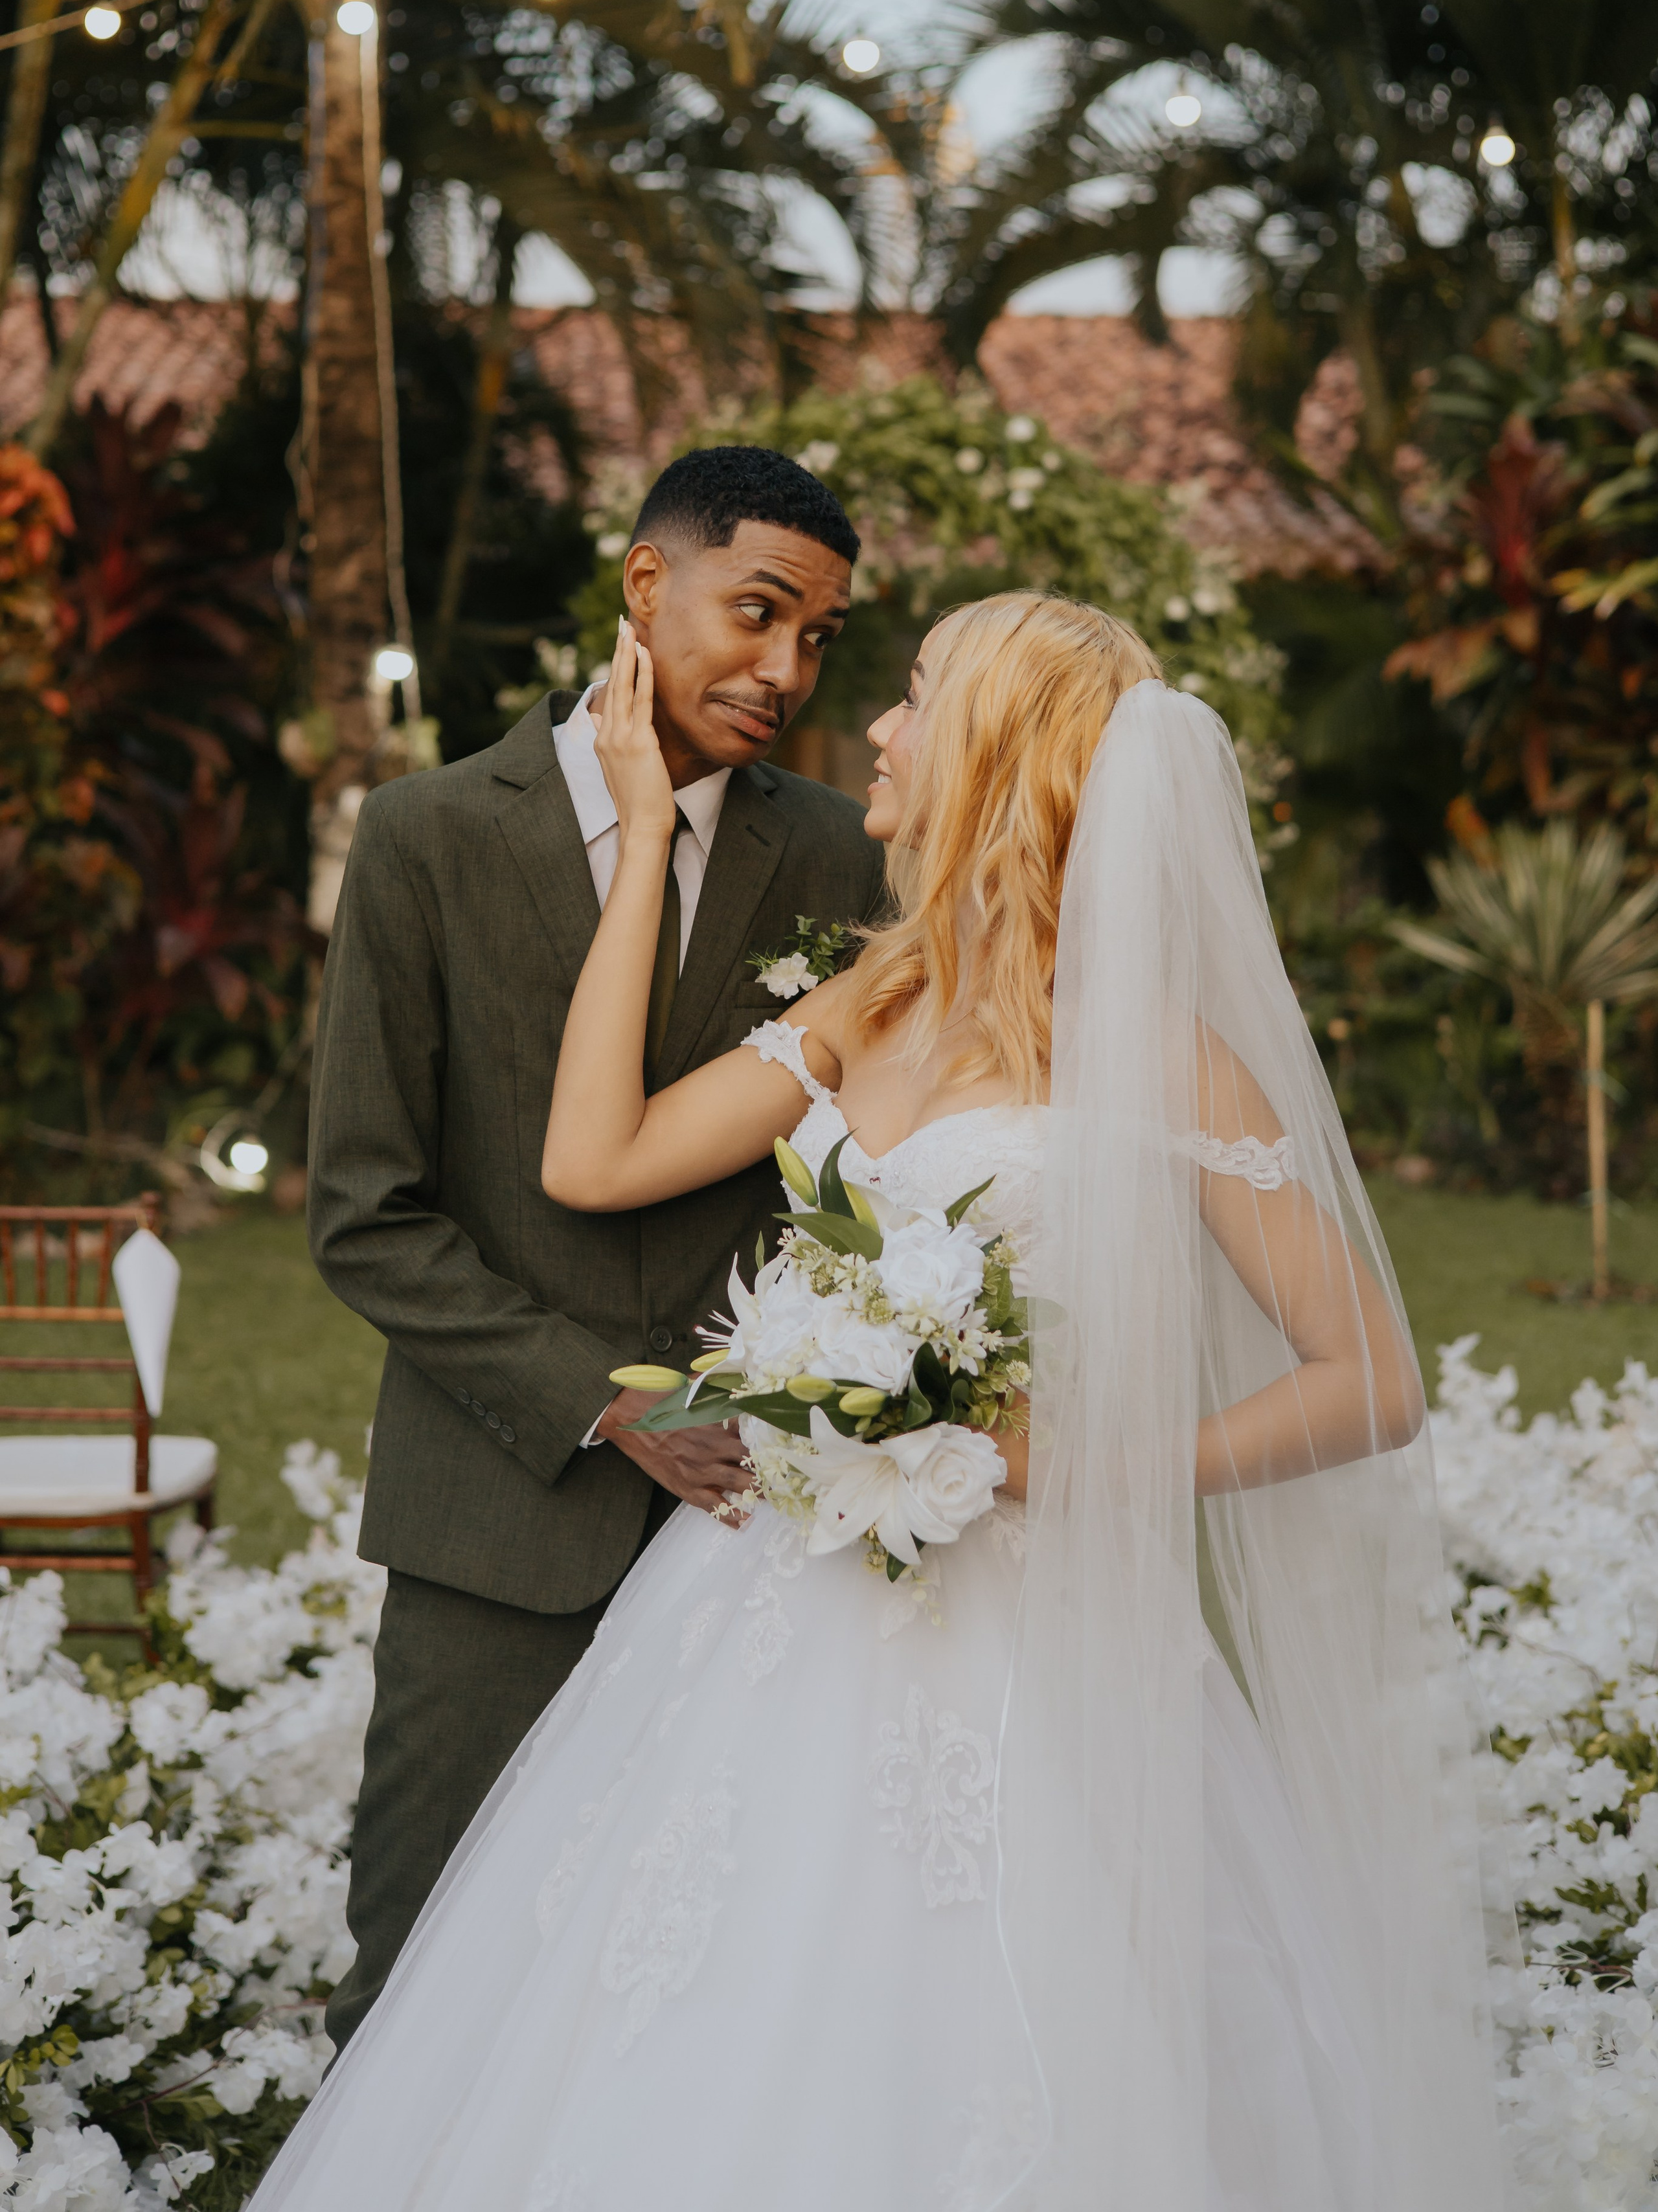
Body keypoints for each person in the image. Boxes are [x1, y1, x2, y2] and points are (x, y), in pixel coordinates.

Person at [262, 591, 1505, 2211]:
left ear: (992, 749)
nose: (877, 728)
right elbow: (595, 1157)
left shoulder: (1161, 1053)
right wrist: (643, 839)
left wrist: (1093, 1464)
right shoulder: (873, 997)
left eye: (915, 697)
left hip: (1035, 1629)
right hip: (763, 1603)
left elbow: (1371, 1380)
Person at [304, 444, 887, 2054]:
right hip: (498, 1518)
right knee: (418, 1975)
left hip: (760, 1538)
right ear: (647, 584)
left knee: (709, 1994)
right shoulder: (422, 836)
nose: (783, 671)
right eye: (757, 613)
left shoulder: (844, 857)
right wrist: (609, 1400)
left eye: (818, 640)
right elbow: (366, 1212)